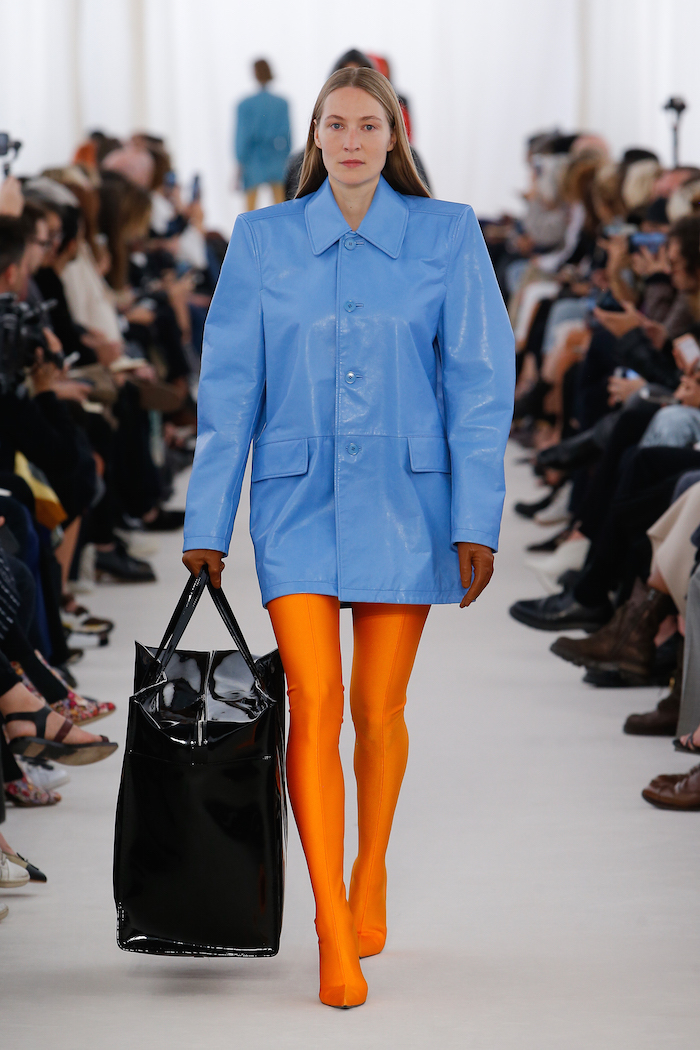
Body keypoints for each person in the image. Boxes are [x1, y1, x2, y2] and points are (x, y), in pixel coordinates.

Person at [183, 67, 514, 1008]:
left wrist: (476, 517)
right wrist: (208, 518)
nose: (353, 139)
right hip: (295, 502)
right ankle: (333, 920)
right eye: (337, 124)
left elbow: (480, 385)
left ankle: (371, 867)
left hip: (410, 502)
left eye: (370, 124)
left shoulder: (447, 234)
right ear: (315, 137)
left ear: (395, 133)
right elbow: (228, 387)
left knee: (377, 706)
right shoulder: (263, 239)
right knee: (314, 704)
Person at [235, 59, 291, 211]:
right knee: (280, 207)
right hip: (276, 157)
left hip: (253, 159)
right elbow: (287, 136)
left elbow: (241, 137)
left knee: (249, 209)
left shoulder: (245, 104)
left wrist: (240, 162)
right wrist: (285, 156)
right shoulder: (281, 103)